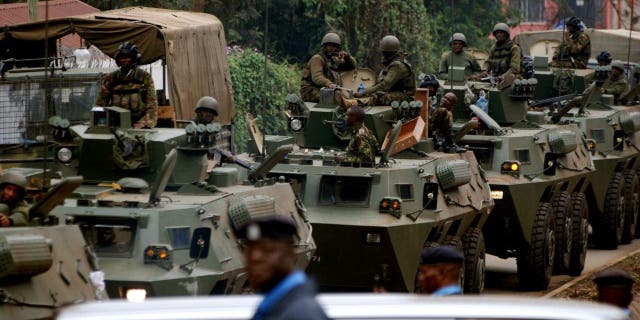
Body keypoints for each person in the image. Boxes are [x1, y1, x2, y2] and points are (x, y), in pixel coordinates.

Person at [238, 215, 329, 320]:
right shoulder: (274, 308)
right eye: (250, 251)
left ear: (290, 255)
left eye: (267, 250)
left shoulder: (301, 313)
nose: (255, 258)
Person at [96, 42, 158, 128]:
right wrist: (98, 122)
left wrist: (145, 122)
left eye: (128, 57)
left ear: (134, 58)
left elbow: (152, 105)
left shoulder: (144, 77)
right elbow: (100, 103)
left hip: (139, 124)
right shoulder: (111, 78)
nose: (125, 60)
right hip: (116, 124)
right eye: (122, 58)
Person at [352, 35, 416, 106]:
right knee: (375, 93)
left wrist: (363, 92)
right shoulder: (394, 62)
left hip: (405, 97)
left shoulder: (398, 65)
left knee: (381, 98)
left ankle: (353, 103)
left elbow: (385, 85)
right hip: (395, 93)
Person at [300, 32, 357, 102]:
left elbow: (351, 66)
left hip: (327, 91)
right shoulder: (317, 58)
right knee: (338, 98)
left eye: (334, 46)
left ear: (337, 48)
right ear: (324, 46)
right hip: (310, 91)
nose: (331, 48)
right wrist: (329, 83)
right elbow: (317, 77)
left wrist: (347, 57)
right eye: (329, 45)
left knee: (349, 99)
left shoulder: (333, 60)